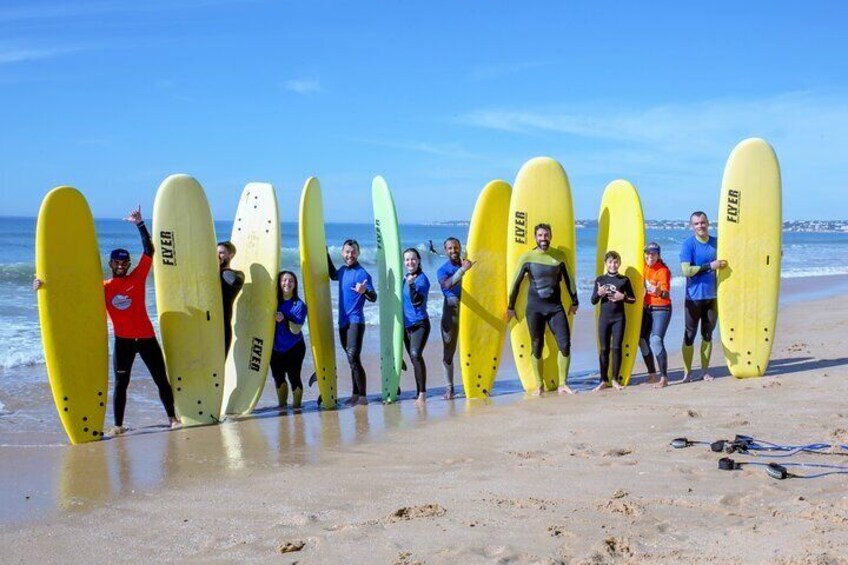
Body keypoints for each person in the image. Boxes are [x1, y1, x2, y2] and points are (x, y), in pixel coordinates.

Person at [34, 206, 179, 436]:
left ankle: (173, 419)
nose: (120, 266)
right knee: (121, 385)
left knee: (161, 379)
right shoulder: (103, 288)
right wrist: (44, 286)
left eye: (124, 263)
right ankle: (119, 425)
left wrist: (140, 224)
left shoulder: (137, 278)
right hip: (123, 342)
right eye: (116, 263)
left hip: (147, 338)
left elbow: (149, 251)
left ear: (128, 265)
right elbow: (73, 292)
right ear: (110, 264)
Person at [506, 224, 579, 396]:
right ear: (535, 237)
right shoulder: (528, 257)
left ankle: (563, 384)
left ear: (551, 236)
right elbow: (515, 283)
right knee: (537, 346)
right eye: (540, 235)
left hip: (555, 307)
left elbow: (569, 279)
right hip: (534, 308)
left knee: (565, 345)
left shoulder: (559, 256)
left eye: (546, 235)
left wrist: (575, 301)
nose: (543, 238)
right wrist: (510, 306)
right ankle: (539, 384)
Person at [327, 239, 377, 406]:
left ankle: (362, 396)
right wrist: (325, 254)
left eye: (353, 251)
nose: (350, 255)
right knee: (352, 360)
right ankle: (355, 394)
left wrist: (365, 292)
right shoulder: (341, 271)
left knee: (353, 356)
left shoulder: (362, 274)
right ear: (342, 253)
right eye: (347, 252)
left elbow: (373, 296)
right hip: (343, 322)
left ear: (358, 253)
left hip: (356, 321)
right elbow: (332, 274)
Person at [679, 211, 727, 382]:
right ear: (692, 226)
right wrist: (710, 266)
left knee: (707, 335)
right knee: (689, 336)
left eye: (703, 222)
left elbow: (735, 257)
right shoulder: (688, 245)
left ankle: (705, 371)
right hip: (693, 298)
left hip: (712, 297)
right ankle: (687, 372)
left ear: (708, 223)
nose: (700, 226)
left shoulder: (717, 243)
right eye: (697, 223)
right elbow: (686, 270)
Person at [590, 250, 636, 391]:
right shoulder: (600, 280)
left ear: (619, 263)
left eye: (616, 262)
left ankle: (615, 379)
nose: (613, 264)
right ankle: (604, 380)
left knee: (616, 348)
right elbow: (593, 301)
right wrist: (599, 293)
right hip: (604, 319)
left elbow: (633, 299)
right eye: (610, 262)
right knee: (604, 349)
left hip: (619, 319)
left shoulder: (624, 280)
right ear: (606, 264)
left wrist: (623, 297)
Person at [435, 237, 474, 399]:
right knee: (449, 349)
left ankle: (475, 383)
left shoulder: (469, 264)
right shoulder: (442, 270)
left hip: (471, 310)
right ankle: (450, 388)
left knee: (472, 346)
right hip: (452, 310)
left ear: (460, 248)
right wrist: (463, 270)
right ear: (446, 251)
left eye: (456, 247)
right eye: (450, 248)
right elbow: (447, 285)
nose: (453, 251)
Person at [270, 271, 308, 410]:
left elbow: (296, 329)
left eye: (291, 280)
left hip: (295, 348)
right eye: (284, 280)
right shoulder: (273, 302)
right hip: (275, 349)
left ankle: (297, 407)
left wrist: (284, 320)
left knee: (294, 377)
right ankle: (282, 406)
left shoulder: (299, 305)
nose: (287, 283)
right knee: (278, 378)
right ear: (279, 283)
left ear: (295, 284)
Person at [639, 243, 672, 389]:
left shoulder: (663, 270)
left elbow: (665, 293)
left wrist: (658, 291)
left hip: (661, 308)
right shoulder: (644, 266)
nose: (650, 257)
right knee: (641, 340)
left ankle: (664, 378)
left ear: (658, 255)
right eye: (647, 254)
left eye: (653, 254)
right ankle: (652, 375)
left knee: (656, 340)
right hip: (646, 308)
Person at [402, 248, 431, 405]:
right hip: (406, 326)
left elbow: (416, 301)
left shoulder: (422, 280)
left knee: (415, 355)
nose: (410, 262)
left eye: (413, 259)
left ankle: (422, 393)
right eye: (407, 259)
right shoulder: (405, 278)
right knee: (414, 360)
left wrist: (412, 285)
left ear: (419, 260)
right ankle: (418, 390)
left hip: (420, 324)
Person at [217, 241, 244, 355]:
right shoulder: (208, 275)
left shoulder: (237, 274)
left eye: (222, 253)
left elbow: (234, 281)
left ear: (231, 255)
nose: (218, 256)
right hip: (204, 325)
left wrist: (220, 269)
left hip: (222, 328)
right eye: (216, 253)